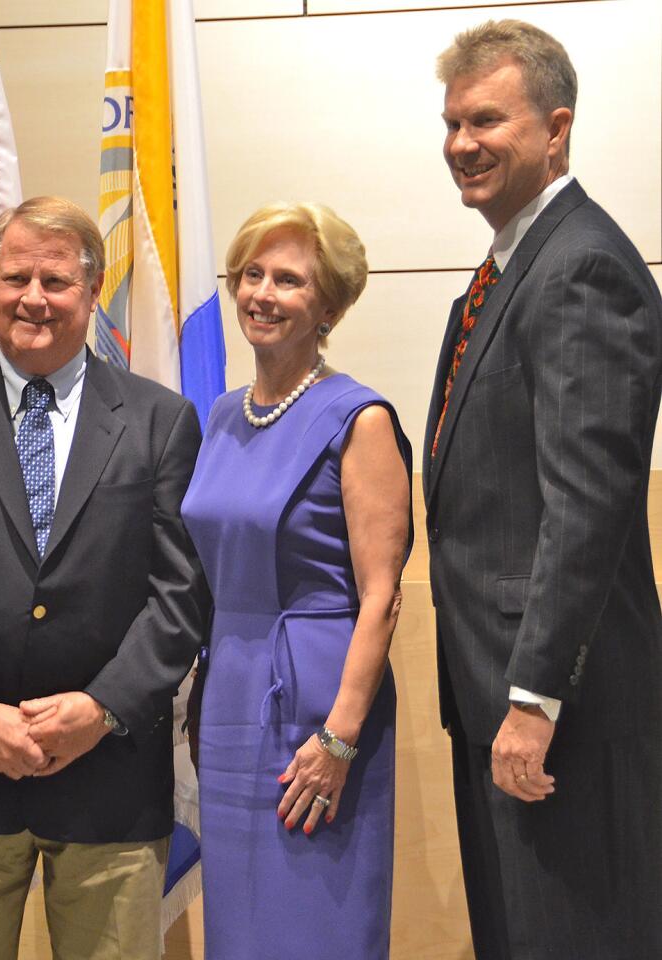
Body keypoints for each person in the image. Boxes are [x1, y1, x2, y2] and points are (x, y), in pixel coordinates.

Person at [0, 196, 206, 960]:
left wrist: (100, 707)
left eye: (55, 281)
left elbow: (181, 590)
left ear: (91, 293)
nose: (33, 298)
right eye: (16, 276)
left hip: (110, 777)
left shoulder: (161, 421)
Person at [426, 19, 662, 957]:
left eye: (485, 119)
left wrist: (531, 702)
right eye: (448, 123)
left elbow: (586, 507)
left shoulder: (579, 268)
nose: (459, 144)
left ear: (555, 129)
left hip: (562, 717)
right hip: (498, 700)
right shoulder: (508, 268)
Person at [181, 202, 411, 959]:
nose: (263, 293)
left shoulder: (359, 418)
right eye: (252, 273)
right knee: (239, 927)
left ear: (328, 306)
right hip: (228, 699)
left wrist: (340, 738)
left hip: (316, 712)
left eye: (288, 279)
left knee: (315, 926)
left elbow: (380, 594)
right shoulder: (220, 415)